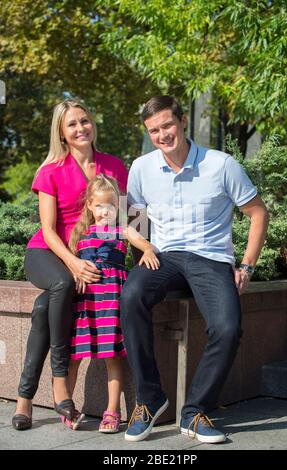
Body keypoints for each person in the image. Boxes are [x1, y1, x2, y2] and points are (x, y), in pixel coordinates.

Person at [120, 95, 269, 443]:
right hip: (163, 255)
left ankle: (195, 411)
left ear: (182, 121)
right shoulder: (141, 167)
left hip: (210, 257)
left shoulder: (221, 165)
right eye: (154, 130)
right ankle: (149, 398)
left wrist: (246, 265)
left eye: (167, 125)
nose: (162, 135)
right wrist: (143, 251)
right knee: (131, 296)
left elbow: (258, 213)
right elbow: (134, 220)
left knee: (228, 327)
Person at [12, 99, 128, 431]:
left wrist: (129, 260)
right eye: (72, 124)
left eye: (84, 121)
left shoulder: (115, 166)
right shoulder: (51, 170)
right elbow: (48, 230)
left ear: (93, 124)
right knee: (61, 284)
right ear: (62, 133)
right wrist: (74, 263)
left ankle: (23, 400)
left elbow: (132, 218)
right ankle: (60, 383)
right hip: (48, 254)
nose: (80, 128)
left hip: (93, 258)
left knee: (42, 308)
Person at [62, 174, 160, 432]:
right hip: (87, 303)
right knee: (74, 356)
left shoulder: (122, 230)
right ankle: (67, 406)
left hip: (112, 302)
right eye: (100, 205)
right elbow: (69, 261)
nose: (106, 211)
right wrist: (74, 272)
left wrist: (148, 250)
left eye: (112, 205)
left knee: (112, 357)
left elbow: (145, 243)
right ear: (90, 206)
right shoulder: (80, 233)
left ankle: (112, 412)